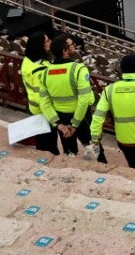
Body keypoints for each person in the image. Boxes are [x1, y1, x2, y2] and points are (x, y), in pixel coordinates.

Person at [43, 33, 103, 162]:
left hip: (61, 118)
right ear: (64, 50)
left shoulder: (46, 72)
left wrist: (58, 125)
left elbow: (45, 103)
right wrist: (74, 124)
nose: (75, 45)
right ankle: (98, 168)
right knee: (94, 149)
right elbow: (84, 100)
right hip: (81, 118)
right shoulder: (78, 69)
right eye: (71, 44)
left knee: (69, 152)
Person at [19, 30, 66, 155]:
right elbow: (42, 97)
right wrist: (53, 118)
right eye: (47, 41)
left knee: (42, 139)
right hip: (44, 111)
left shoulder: (28, 60)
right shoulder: (39, 71)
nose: (50, 42)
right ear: (41, 45)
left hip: (34, 107)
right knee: (49, 143)